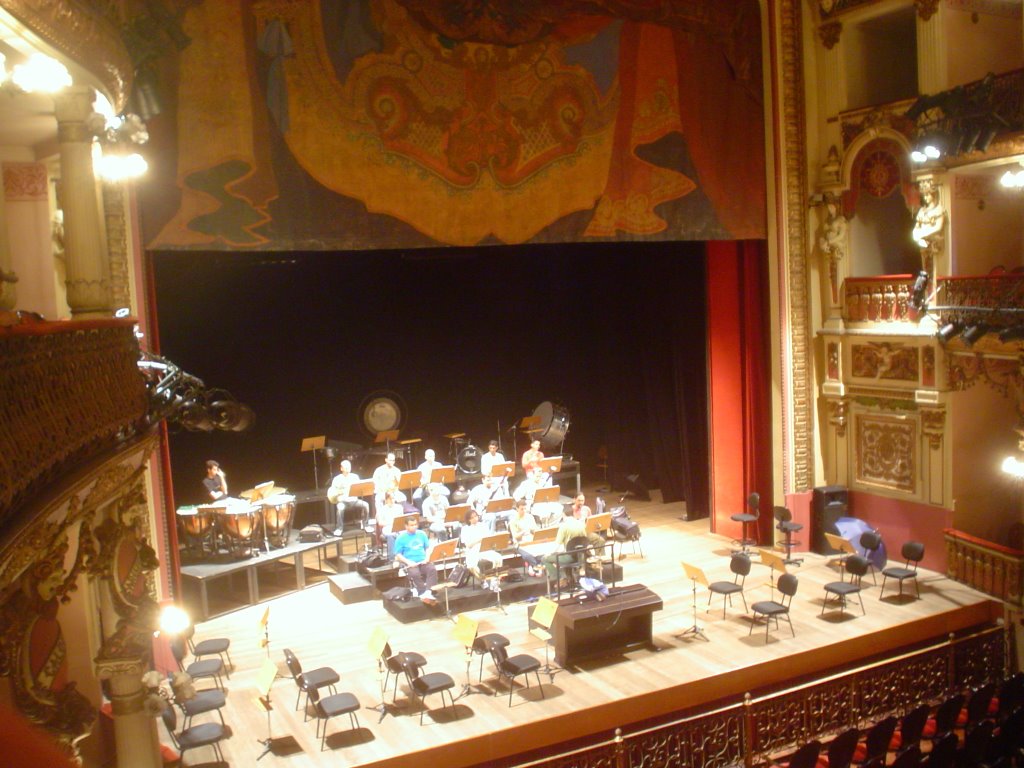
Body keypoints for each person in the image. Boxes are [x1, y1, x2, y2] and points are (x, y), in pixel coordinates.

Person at [393, 516, 438, 604]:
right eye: (411, 525)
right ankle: (422, 592)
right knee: (414, 573)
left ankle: (428, 592)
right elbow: (398, 554)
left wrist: (427, 557)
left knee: (432, 569)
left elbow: (428, 548)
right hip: (411, 562)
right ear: (406, 526)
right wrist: (408, 562)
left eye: (415, 525)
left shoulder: (422, 534)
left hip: (422, 560)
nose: (414, 527)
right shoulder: (401, 538)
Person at [542, 511, 589, 587]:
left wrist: (548, 554)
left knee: (545, 559)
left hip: (570, 558)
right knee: (562, 555)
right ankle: (570, 579)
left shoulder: (564, 527)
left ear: (564, 516)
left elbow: (557, 545)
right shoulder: (581, 525)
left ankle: (561, 578)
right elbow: (585, 540)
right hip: (581, 557)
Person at [459, 508, 504, 587]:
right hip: (472, 550)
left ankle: (494, 579)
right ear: (468, 520)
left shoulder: (483, 525)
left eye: (475, 516)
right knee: (471, 566)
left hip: (484, 549)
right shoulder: (465, 529)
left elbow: (488, 539)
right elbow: (468, 545)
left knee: (498, 558)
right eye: (472, 518)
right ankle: (482, 580)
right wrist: (479, 540)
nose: (474, 519)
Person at [326, 459, 370, 536]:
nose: (347, 469)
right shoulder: (337, 479)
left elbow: (359, 488)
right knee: (340, 508)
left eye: (349, 467)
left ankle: (365, 525)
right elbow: (333, 491)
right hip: (343, 502)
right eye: (345, 467)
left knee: (366, 505)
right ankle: (339, 528)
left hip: (354, 501)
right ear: (341, 468)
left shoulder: (355, 477)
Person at [507, 498, 544, 577]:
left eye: (525, 509)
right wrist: (523, 532)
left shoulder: (530, 517)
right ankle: (536, 566)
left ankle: (532, 566)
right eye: (521, 509)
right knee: (527, 555)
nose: (523, 511)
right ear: (517, 509)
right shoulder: (513, 520)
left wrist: (534, 531)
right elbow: (515, 537)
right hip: (520, 543)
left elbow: (535, 530)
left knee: (541, 552)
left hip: (531, 540)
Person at [375, 491, 405, 560]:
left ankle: (404, 555)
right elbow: (380, 523)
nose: (392, 500)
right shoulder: (381, 509)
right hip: (387, 528)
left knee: (404, 534)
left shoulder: (399, 507)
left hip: (398, 527)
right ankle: (391, 558)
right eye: (390, 499)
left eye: (393, 498)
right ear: (386, 500)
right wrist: (390, 523)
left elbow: (401, 519)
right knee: (391, 535)